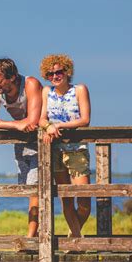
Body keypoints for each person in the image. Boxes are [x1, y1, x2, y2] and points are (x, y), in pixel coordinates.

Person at [0, 58, 42, 237]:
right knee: (26, 188)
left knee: (35, 189)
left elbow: (33, 121)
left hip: (41, 142)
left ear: (13, 77)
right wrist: (15, 125)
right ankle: (37, 233)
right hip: (21, 143)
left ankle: (31, 236)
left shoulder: (30, 84)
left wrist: (21, 124)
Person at [39, 54, 91, 238]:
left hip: (77, 150)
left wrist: (60, 125)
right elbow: (42, 118)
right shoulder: (46, 92)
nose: (55, 76)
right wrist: (48, 126)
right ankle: (76, 241)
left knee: (84, 201)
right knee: (66, 198)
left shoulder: (79, 90)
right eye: (50, 73)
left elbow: (85, 120)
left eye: (58, 72)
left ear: (67, 71)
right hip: (55, 150)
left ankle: (73, 236)